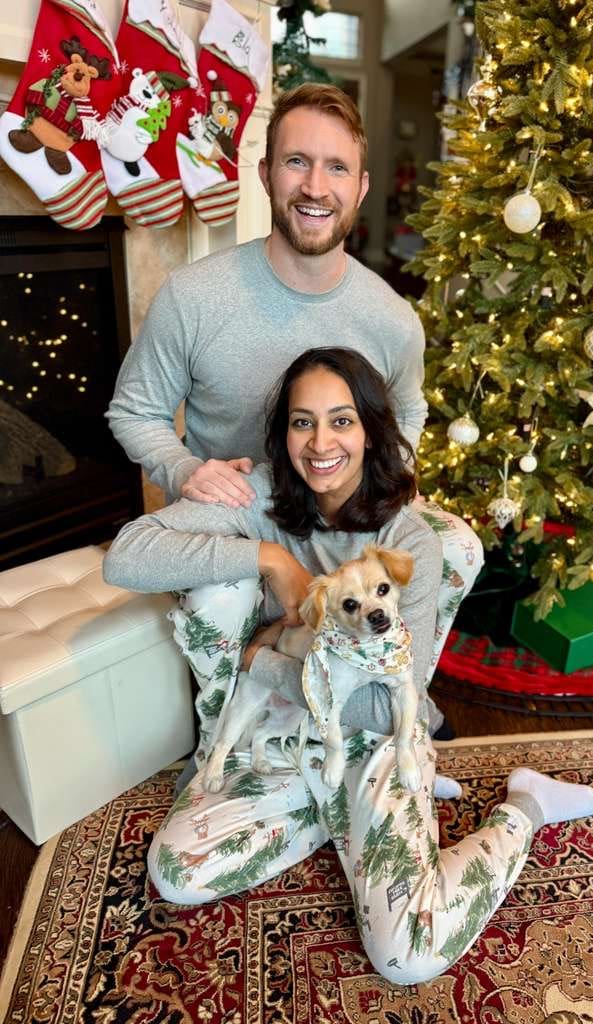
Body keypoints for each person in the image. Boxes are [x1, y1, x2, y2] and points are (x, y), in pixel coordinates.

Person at [103, 349, 593, 986]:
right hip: (286, 736)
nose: (321, 443)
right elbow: (126, 556)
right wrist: (269, 557)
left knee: (409, 957)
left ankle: (528, 805)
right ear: (283, 432)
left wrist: (262, 663)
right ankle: (341, 816)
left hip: (376, 738)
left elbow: (381, 704)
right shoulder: (261, 495)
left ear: (370, 430)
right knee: (176, 874)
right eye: (302, 422)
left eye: (341, 420)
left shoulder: (408, 542)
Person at [106, 84, 483, 744]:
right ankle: (241, 728)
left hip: (343, 526)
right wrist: (186, 470)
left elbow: (409, 407)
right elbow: (134, 410)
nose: (315, 186)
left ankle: (398, 699)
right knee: (225, 594)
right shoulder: (194, 297)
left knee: (455, 543)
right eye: (296, 162)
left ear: (361, 187)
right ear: (265, 174)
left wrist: (390, 473)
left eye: (336, 167)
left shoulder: (391, 318)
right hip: (241, 513)